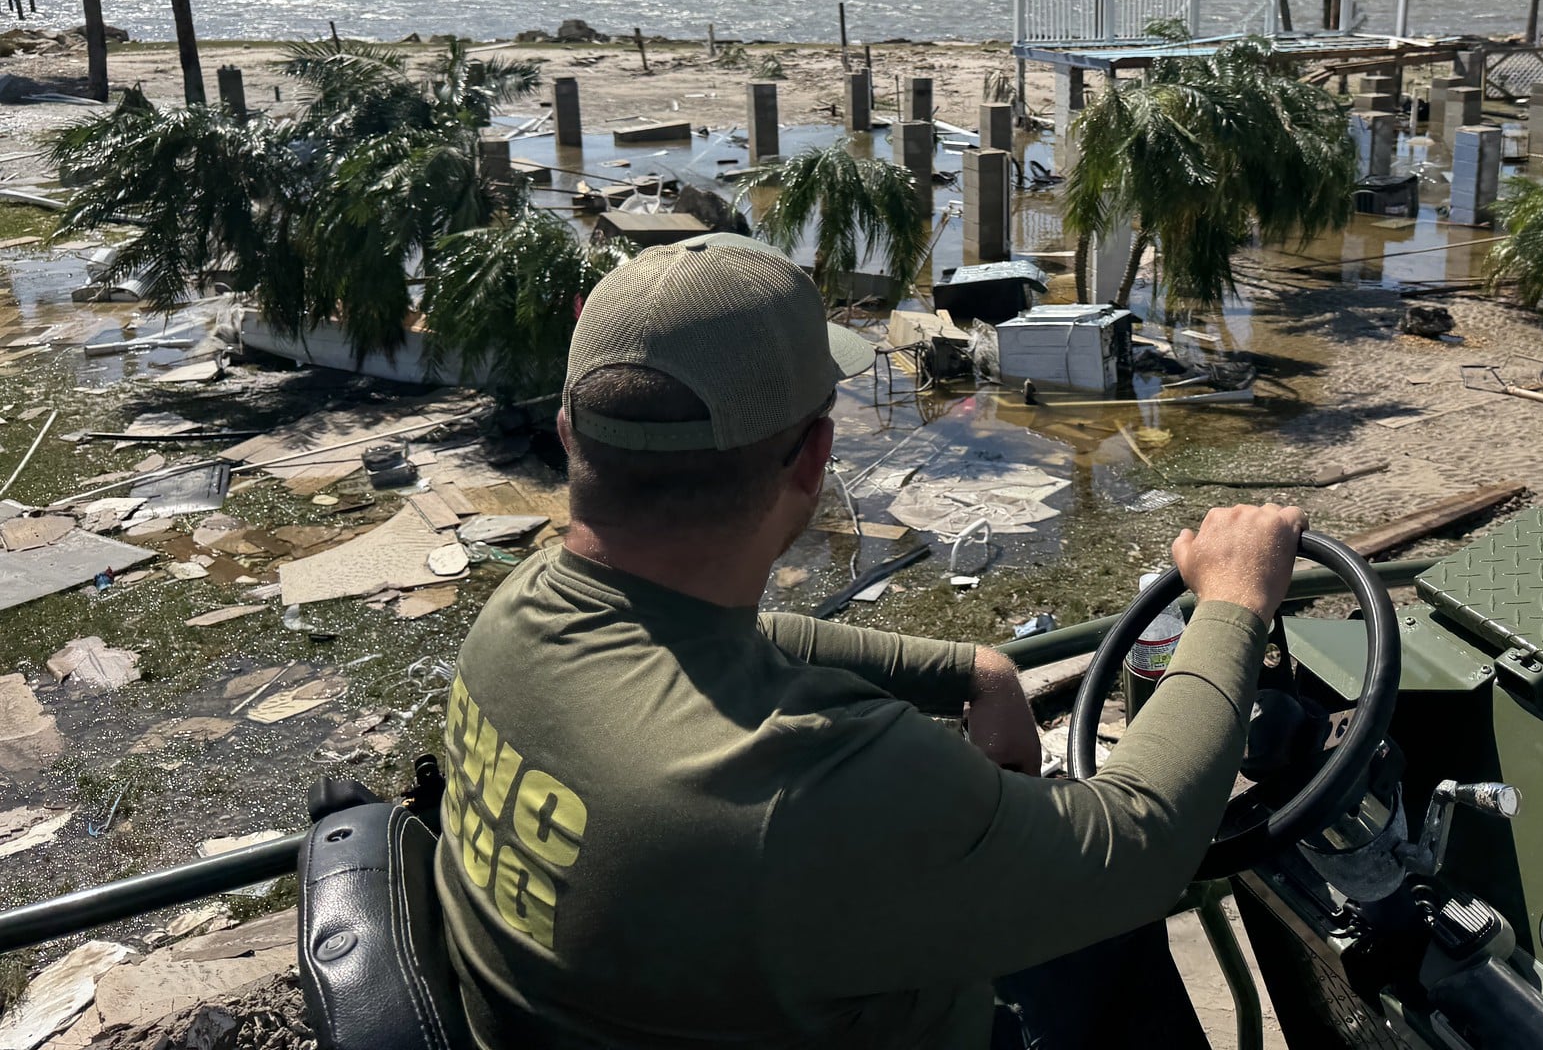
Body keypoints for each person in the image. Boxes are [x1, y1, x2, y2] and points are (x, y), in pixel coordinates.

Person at [435, 233, 1302, 1050]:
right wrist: (1231, 604)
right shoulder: (813, 782)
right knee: (1113, 941)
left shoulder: (518, 616)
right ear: (816, 459)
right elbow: (1140, 845)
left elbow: (731, 637)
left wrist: (971, 668)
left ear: (567, 435)